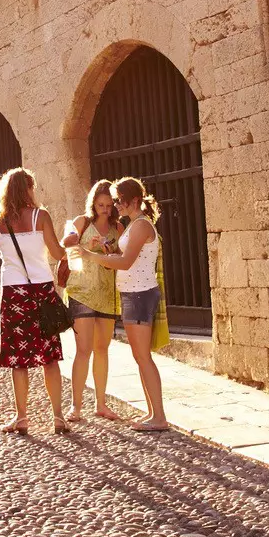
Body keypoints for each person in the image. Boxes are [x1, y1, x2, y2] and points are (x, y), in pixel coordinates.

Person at [87, 175, 169, 431]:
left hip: (140, 294)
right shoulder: (134, 225)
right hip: (133, 293)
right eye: (115, 201)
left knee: (143, 357)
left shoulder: (142, 226)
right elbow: (123, 256)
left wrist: (91, 256)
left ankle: (159, 417)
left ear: (135, 200)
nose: (116, 206)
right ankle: (152, 413)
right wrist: (107, 249)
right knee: (139, 356)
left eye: (120, 201)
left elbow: (126, 263)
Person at [0, 168, 67, 435]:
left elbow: (4, 255)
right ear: (28, 188)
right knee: (50, 357)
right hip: (41, 289)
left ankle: (22, 417)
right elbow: (56, 252)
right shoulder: (40, 216)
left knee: (18, 359)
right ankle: (57, 416)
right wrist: (70, 246)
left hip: (13, 292)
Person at [62, 180, 123, 422]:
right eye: (100, 204)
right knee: (83, 349)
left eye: (109, 205)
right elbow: (65, 242)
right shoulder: (82, 222)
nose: (105, 209)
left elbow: (122, 257)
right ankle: (75, 406)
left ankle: (101, 404)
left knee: (102, 350)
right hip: (81, 291)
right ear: (93, 203)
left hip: (107, 293)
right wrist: (79, 240)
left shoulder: (117, 228)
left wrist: (110, 251)